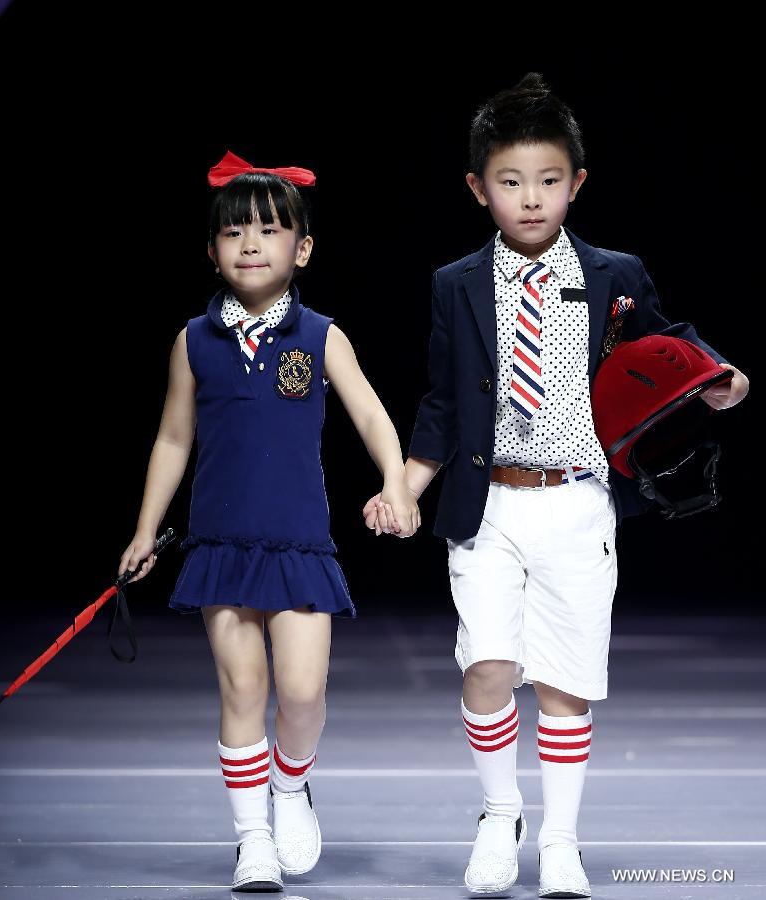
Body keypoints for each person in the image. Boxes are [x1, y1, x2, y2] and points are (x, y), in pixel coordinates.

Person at [364, 74, 749, 898]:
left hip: (578, 501)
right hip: (488, 504)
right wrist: (402, 485)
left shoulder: (615, 272)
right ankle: (499, 814)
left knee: (567, 681)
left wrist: (721, 375)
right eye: (509, 182)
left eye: (547, 181)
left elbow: (665, 345)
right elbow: (440, 403)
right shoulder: (454, 283)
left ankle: (562, 840)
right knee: (489, 667)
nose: (529, 199)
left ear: (575, 182)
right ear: (477, 188)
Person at [118, 150, 420, 893]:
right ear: (212, 250)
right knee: (242, 688)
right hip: (220, 544)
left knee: (304, 691)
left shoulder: (321, 336)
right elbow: (172, 439)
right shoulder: (193, 341)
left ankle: (290, 789)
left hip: (298, 546)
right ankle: (252, 837)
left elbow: (373, 417)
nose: (249, 244)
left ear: (302, 248)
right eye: (232, 233)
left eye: (268, 229)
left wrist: (396, 483)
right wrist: (142, 530)